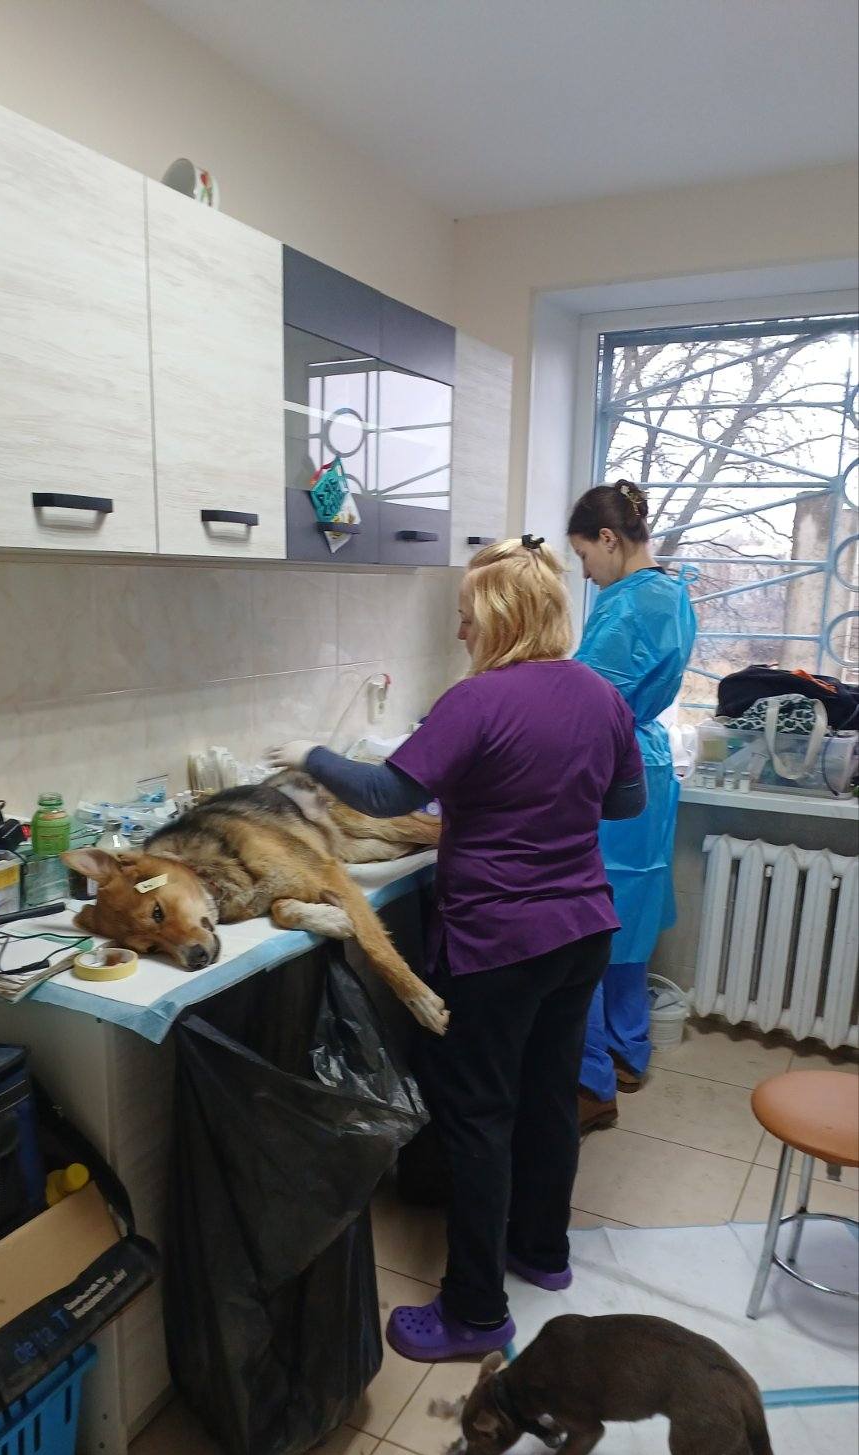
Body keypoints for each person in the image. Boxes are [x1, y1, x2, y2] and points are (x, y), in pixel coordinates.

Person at [268, 535, 646, 1363]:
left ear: (502, 617)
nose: (461, 631)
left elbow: (383, 792)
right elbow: (624, 803)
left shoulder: (476, 701)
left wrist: (308, 756)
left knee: (478, 1119)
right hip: (581, 930)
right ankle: (540, 1253)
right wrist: (543, 800)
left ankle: (474, 1313)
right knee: (548, 1099)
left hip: (500, 942)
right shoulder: (599, 695)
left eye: (468, 615)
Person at [567, 479, 697, 1132]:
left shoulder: (625, 604)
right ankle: (626, 1050)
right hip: (649, 764)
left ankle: (590, 1081)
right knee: (630, 912)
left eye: (584, 557)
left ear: (609, 540)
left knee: (591, 924)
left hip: (613, 764)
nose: (585, 573)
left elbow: (585, 701)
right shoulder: (674, 592)